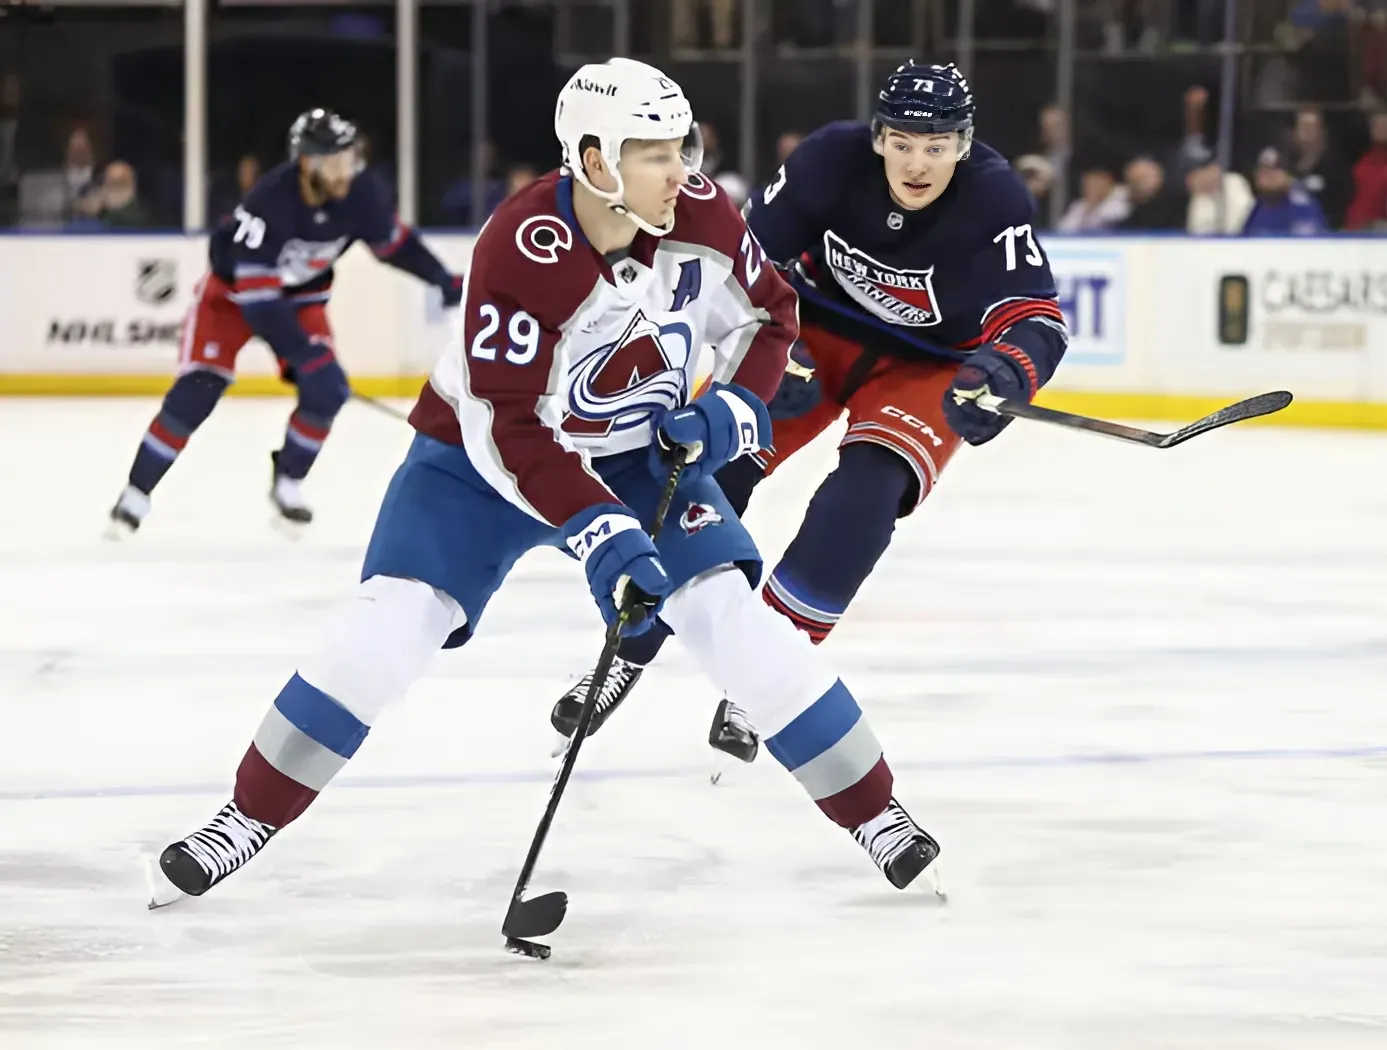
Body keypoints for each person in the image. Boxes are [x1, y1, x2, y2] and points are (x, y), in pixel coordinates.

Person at [145, 59, 941, 913]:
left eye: (681, 148)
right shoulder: (522, 248)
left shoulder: (701, 215)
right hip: (476, 462)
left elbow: (769, 318)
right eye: (655, 154)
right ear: (595, 162)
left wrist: (731, 415)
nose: (684, 172)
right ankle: (245, 817)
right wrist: (604, 533)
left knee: (724, 615)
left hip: (641, 457)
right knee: (394, 621)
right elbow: (508, 425)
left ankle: (876, 814)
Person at [550, 61, 1067, 772]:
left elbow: (1038, 318)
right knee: (708, 469)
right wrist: (769, 344)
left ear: (964, 144)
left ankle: (767, 669)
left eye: (938, 145)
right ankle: (628, 646)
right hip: (811, 334)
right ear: (879, 136)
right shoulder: (828, 157)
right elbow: (746, 258)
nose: (919, 162)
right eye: (905, 141)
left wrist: (1007, 371)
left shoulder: (994, 197)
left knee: (867, 494)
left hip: (925, 366)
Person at [107, 109, 463, 535]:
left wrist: (439, 276)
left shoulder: (359, 194)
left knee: (326, 391)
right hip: (230, 299)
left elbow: (394, 245)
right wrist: (302, 352)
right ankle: (136, 493)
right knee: (198, 390)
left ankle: (289, 481)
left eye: (349, 160)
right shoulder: (269, 202)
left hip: (301, 299)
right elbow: (259, 303)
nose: (345, 173)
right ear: (307, 164)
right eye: (334, 163)